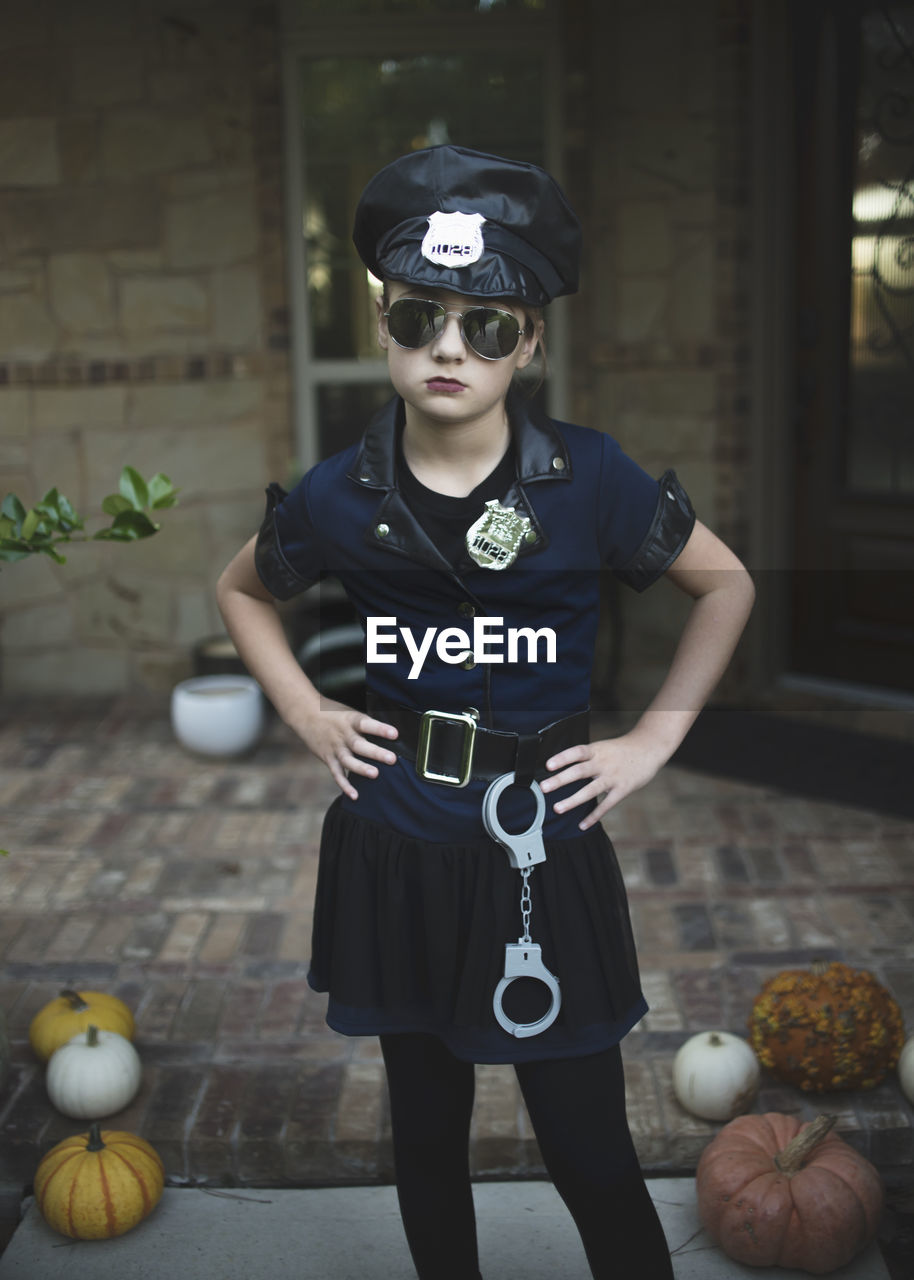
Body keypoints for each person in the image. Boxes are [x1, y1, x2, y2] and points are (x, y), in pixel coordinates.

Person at [216, 145, 755, 1280]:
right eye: (419, 319)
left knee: (587, 1144)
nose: (449, 347)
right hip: (400, 838)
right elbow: (241, 589)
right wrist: (311, 711)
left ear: (530, 342)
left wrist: (655, 735)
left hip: (538, 841)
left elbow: (725, 582)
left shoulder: (592, 480)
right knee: (425, 1130)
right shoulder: (339, 492)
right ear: (385, 331)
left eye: (487, 325)